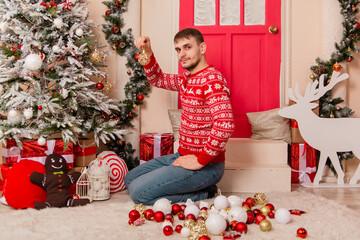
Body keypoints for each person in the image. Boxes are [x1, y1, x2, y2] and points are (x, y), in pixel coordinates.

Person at [124, 28, 235, 205]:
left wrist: (200, 161)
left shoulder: (212, 80)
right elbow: (157, 79)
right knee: (130, 179)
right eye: (178, 49)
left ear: (203, 48)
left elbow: (225, 124)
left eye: (187, 47)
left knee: (139, 194)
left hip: (207, 166)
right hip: (182, 155)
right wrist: (148, 52)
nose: (182, 54)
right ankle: (194, 186)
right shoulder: (186, 80)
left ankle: (203, 194)